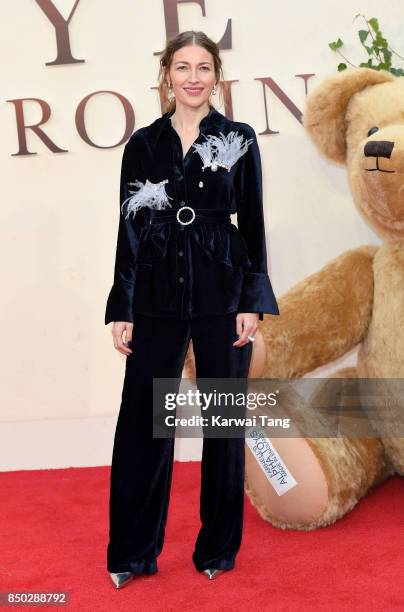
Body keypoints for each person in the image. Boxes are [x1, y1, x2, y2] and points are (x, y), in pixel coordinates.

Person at [105, 30, 280, 589]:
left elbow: (251, 222)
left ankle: (218, 548)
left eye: (204, 67)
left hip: (221, 292)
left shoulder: (239, 139)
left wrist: (251, 300)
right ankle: (132, 552)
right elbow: (129, 229)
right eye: (183, 67)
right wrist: (122, 306)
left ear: (217, 75)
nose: (194, 77)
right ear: (167, 75)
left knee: (222, 422)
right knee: (142, 424)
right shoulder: (143, 144)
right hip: (155, 292)